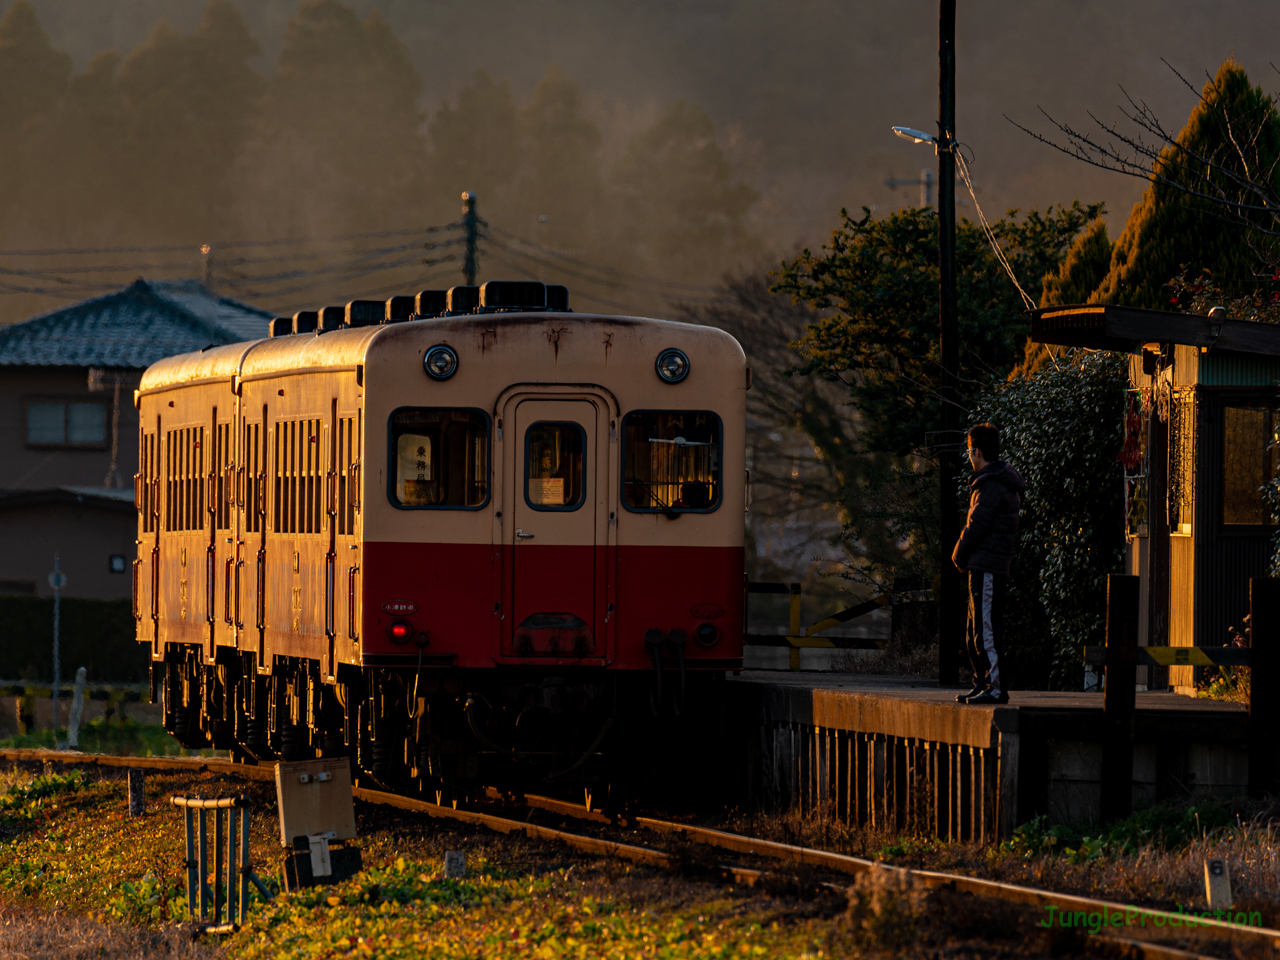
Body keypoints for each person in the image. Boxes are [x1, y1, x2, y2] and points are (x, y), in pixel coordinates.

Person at [951, 423, 1024, 705]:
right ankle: (982, 682)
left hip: (989, 567)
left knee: (987, 630)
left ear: (977, 451)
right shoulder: (993, 482)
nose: (969, 456)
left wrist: (958, 554)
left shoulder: (991, 485)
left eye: (970, 450)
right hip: (984, 566)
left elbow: (975, 525)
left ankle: (995, 687)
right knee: (975, 630)